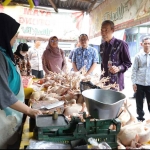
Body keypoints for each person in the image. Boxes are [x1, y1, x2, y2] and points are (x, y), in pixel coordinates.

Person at [0, 13, 42, 149]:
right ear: (5, 33)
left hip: (12, 115)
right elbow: (3, 95)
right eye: (15, 35)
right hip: (3, 118)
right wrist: (29, 111)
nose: (16, 38)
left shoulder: (5, 54)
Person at [100, 20, 132, 91]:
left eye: (106, 30)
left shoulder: (121, 44)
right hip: (104, 83)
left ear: (112, 30)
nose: (103, 33)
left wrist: (119, 68)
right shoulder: (102, 46)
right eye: (102, 30)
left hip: (116, 83)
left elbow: (128, 63)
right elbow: (103, 64)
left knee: (115, 102)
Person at [131, 36, 150, 122]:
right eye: (145, 43)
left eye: (149, 43)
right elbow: (134, 70)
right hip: (139, 83)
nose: (147, 45)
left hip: (149, 83)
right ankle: (140, 118)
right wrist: (134, 83)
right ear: (142, 44)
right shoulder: (138, 56)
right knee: (139, 102)